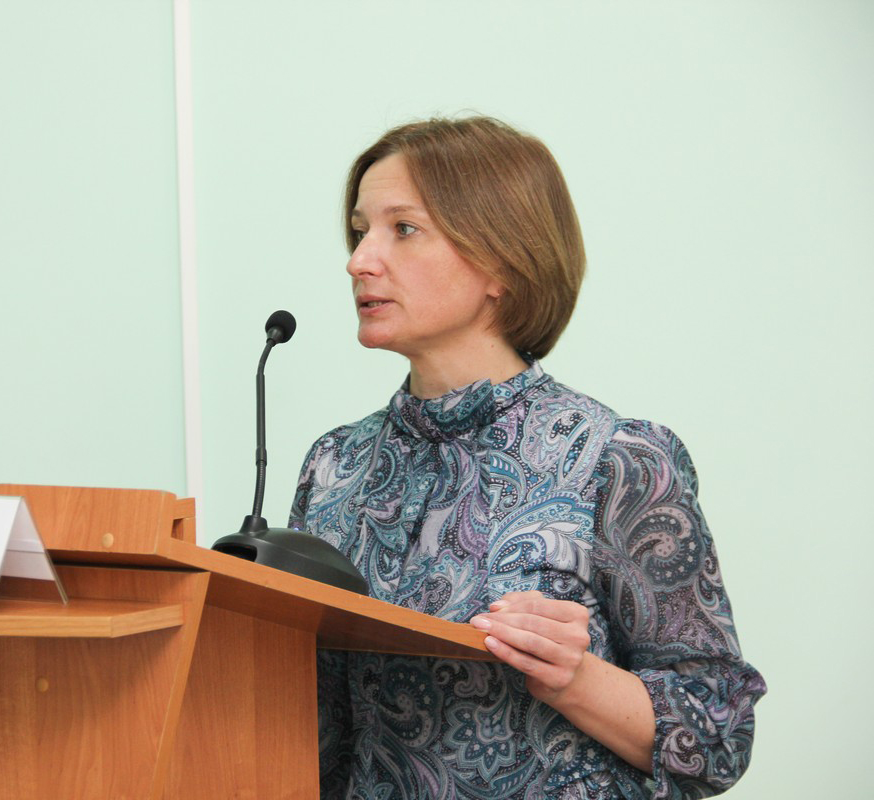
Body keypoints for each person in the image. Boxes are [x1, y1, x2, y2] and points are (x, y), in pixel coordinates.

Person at [289, 116, 766, 799]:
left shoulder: (618, 459)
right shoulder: (334, 466)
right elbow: (316, 735)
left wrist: (576, 678)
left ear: (500, 263)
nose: (359, 260)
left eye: (404, 229)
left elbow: (718, 738)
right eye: (360, 230)